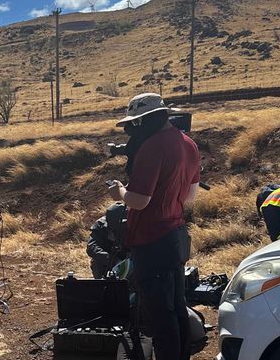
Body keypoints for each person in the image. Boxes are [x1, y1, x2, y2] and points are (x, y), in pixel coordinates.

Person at [108, 93, 200, 360]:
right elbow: (190, 196)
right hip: (175, 234)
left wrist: (120, 192)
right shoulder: (188, 143)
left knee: (160, 314)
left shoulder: (153, 147)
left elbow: (139, 201)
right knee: (177, 306)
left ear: (144, 121)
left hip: (152, 238)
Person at [86, 203, 125, 278]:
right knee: (97, 263)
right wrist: (111, 260)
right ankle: (102, 285)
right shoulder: (100, 225)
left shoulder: (134, 225)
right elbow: (91, 247)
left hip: (128, 258)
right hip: (107, 258)